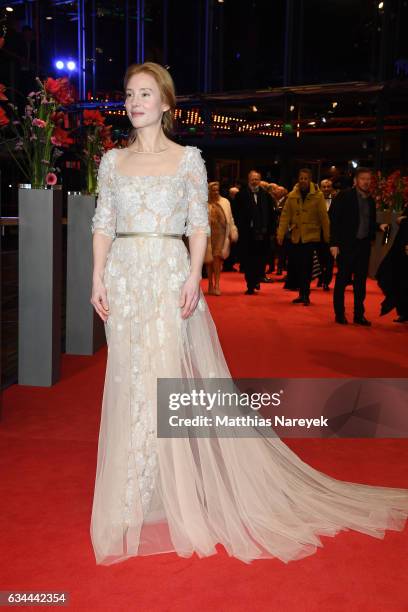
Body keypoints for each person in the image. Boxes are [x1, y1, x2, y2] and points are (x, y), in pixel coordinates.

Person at [90, 62, 408, 566]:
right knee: (130, 380)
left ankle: (166, 490)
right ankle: (135, 492)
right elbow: (103, 222)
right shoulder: (112, 162)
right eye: (129, 94)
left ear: (167, 104)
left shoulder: (188, 159)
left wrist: (193, 275)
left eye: (145, 93)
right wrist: (96, 276)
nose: (134, 102)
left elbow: (198, 224)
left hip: (169, 276)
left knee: (165, 380)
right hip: (126, 280)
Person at [329, 167, 376, 326]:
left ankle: (359, 314)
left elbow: (368, 221)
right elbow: (333, 220)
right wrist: (334, 243)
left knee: (361, 282)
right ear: (356, 181)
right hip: (346, 245)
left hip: (364, 246)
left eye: (368, 179)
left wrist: (377, 229)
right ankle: (340, 314)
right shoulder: (344, 196)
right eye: (363, 179)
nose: (366, 182)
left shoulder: (370, 200)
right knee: (342, 280)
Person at [277, 169, 329, 306]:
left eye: (306, 178)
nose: (303, 180)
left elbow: (324, 217)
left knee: (307, 266)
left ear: (310, 180)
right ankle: (301, 293)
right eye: (301, 178)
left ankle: (306, 294)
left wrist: (328, 237)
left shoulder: (318, 196)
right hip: (296, 236)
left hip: (311, 237)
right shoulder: (292, 196)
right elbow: (285, 216)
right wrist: (280, 234)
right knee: (298, 266)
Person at [234, 170, 276, 294]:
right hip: (247, 234)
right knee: (248, 260)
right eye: (252, 179)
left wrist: (272, 231)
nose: (254, 181)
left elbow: (271, 215)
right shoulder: (241, 195)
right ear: (249, 180)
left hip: (263, 234)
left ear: (260, 180)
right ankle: (250, 284)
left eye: (257, 179)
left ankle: (257, 278)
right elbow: (236, 215)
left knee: (261, 259)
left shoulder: (266, 195)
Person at [376, 204, 408, 323]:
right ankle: (404, 312)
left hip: (404, 244)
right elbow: (401, 219)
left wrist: (403, 220)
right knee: (395, 276)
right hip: (400, 246)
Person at [205, 181, 236, 295]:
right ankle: (209, 284)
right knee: (208, 260)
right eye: (213, 190)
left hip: (221, 234)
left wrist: (232, 231)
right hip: (208, 235)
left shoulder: (225, 202)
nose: (216, 192)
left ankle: (217, 284)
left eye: (217, 190)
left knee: (217, 258)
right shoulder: (204, 204)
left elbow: (230, 218)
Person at [316, 179, 335, 290]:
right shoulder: (315, 201)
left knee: (330, 260)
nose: (326, 189)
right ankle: (320, 278)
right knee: (319, 258)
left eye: (328, 186)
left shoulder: (337, 201)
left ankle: (326, 281)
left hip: (332, 235)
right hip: (318, 234)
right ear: (320, 188)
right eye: (324, 187)